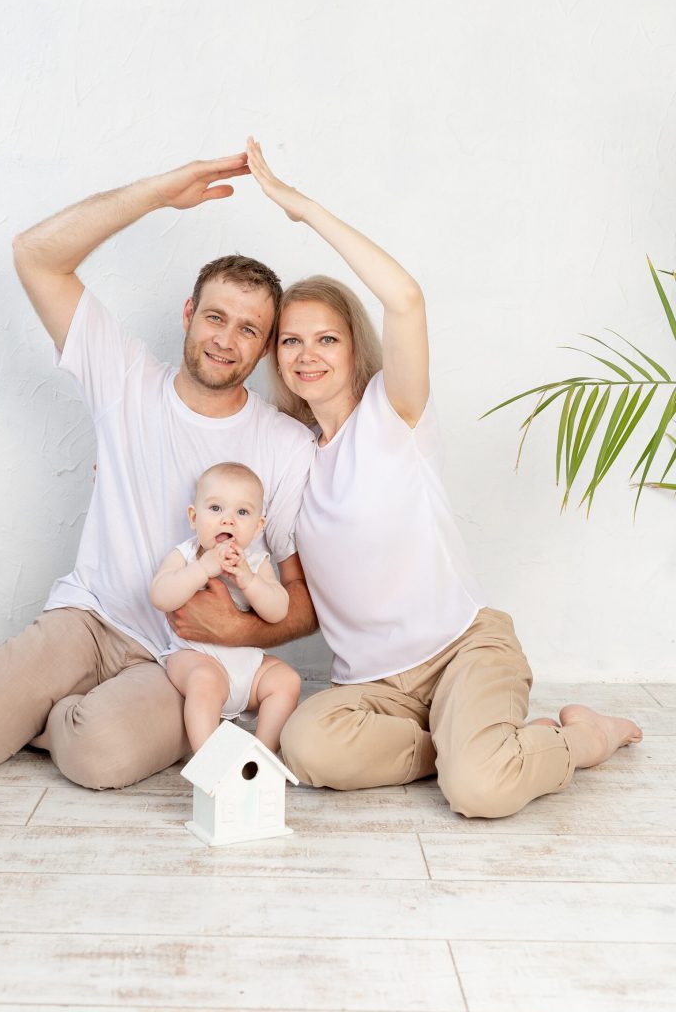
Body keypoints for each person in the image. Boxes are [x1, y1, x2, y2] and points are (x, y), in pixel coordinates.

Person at [243, 135, 643, 819]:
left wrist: (302, 208)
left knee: (479, 792)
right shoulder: (291, 455)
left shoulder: (393, 412)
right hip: (377, 688)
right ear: (276, 357)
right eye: (291, 340)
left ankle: (582, 738)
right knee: (308, 747)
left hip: (464, 649)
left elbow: (404, 298)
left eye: (326, 338)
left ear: (353, 347)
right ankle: (469, 744)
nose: (308, 355)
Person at [0, 153, 317, 790]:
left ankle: (61, 717)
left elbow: (305, 598)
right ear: (188, 315)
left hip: (185, 658)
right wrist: (155, 193)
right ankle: (47, 706)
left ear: (263, 347)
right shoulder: (125, 380)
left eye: (248, 329)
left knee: (99, 757)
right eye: (214, 317)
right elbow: (35, 254)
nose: (225, 340)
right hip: (89, 620)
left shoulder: (287, 445)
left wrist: (239, 628)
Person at [151, 461, 301, 752]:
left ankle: (260, 756)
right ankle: (209, 762)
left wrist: (248, 580)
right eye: (216, 509)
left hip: (249, 670)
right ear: (194, 517)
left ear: (258, 526)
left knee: (287, 680)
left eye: (242, 512)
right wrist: (203, 569)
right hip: (196, 657)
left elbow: (278, 610)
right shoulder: (187, 555)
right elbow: (161, 595)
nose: (228, 520)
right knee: (203, 681)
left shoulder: (256, 563)